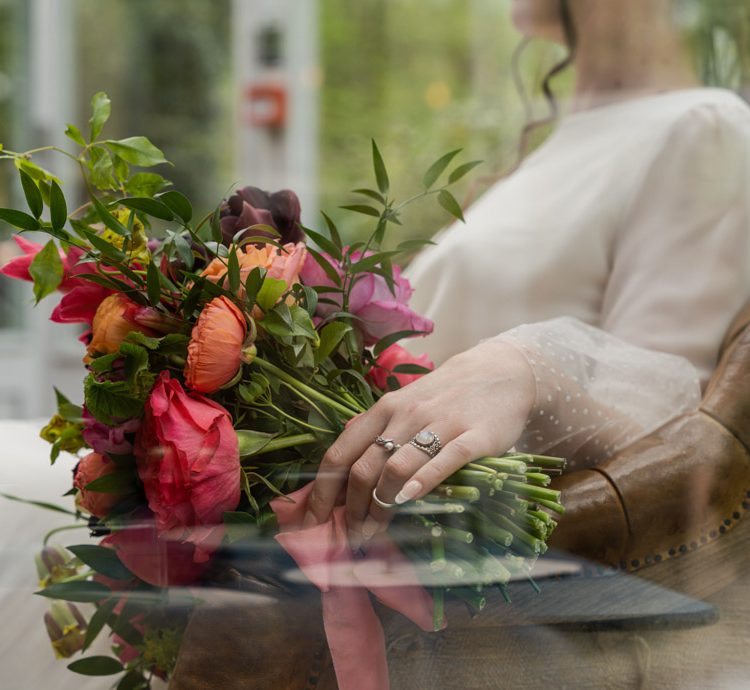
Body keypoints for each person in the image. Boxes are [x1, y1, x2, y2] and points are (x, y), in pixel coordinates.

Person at [303, 0, 750, 551]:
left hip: (505, 579)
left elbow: (676, 431)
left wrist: (529, 366)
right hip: (391, 538)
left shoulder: (704, 126)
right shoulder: (564, 142)